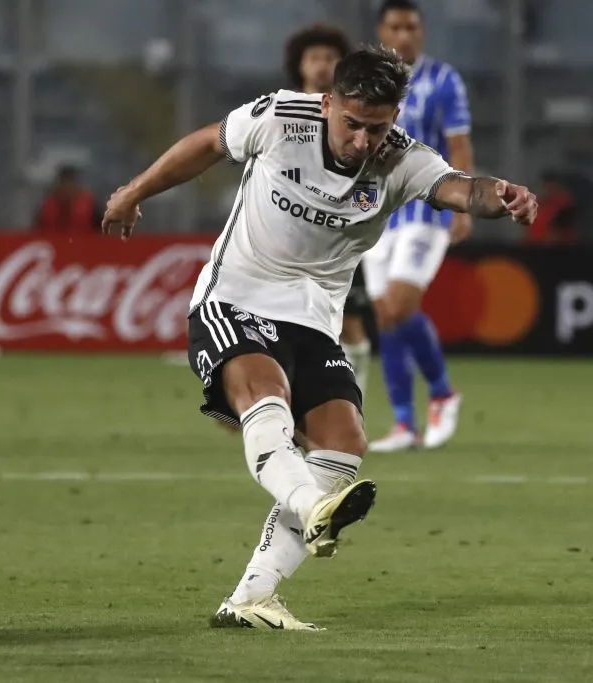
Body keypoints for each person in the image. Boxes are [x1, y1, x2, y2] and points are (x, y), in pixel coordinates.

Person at [101, 47, 537, 631]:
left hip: (312, 319)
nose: (361, 140)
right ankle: (313, 508)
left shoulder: (402, 160)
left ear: (394, 118)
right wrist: (135, 191)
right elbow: (207, 143)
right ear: (328, 103)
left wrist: (500, 195)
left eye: (376, 127)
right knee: (266, 397)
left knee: (344, 440)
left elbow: (459, 188)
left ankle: (252, 597)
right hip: (236, 296)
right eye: (351, 123)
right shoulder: (281, 119)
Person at [363, 0, 475, 452]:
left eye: (412, 27)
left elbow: (459, 144)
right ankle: (405, 424)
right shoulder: (367, 81)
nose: (404, 35)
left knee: (399, 304)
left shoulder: (444, 80)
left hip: (426, 207)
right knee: (386, 317)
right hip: (374, 210)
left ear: (422, 32)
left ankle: (444, 392)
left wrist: (464, 203)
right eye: (396, 27)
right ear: (381, 31)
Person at [283, 23, 372, 396]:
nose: (322, 66)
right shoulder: (280, 111)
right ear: (299, 65)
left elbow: (373, 176)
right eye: (314, 58)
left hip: (341, 236)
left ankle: (353, 400)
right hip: (288, 235)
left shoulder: (359, 117)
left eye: (330, 59)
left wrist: (361, 213)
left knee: (349, 323)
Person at [34, 165, 101, 235]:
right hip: (54, 244)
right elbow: (35, 233)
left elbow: (103, 232)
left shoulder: (91, 207)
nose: (67, 189)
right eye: (64, 184)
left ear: (76, 186)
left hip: (83, 244)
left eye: (70, 184)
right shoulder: (45, 208)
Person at [527, 171, 579, 245]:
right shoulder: (535, 204)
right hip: (535, 247)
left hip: (557, 249)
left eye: (551, 185)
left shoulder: (564, 203)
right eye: (545, 185)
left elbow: (562, 230)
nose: (548, 188)